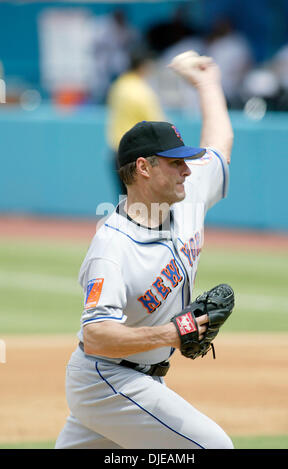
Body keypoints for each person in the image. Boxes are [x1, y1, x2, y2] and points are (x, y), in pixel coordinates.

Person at [55, 51, 234, 449]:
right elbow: (97, 335)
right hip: (107, 381)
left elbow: (220, 142)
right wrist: (173, 333)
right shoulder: (112, 246)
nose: (188, 170)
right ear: (144, 168)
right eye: (175, 163)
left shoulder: (185, 199)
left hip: (136, 378)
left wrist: (206, 83)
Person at [106, 46, 165, 194]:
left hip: (117, 150)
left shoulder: (119, 85)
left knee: (126, 200)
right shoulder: (141, 91)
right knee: (144, 204)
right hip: (137, 155)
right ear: (143, 66)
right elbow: (158, 125)